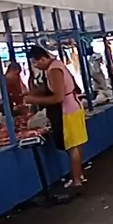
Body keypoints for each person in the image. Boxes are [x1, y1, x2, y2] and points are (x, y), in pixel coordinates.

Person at [24, 45, 87, 192]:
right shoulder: (55, 66)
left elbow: (58, 97)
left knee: (72, 147)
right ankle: (79, 175)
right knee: (76, 145)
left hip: (67, 111)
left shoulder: (54, 70)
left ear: (43, 58)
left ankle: (76, 180)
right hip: (73, 107)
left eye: (35, 62)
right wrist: (32, 93)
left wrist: (33, 100)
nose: (35, 66)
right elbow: (49, 88)